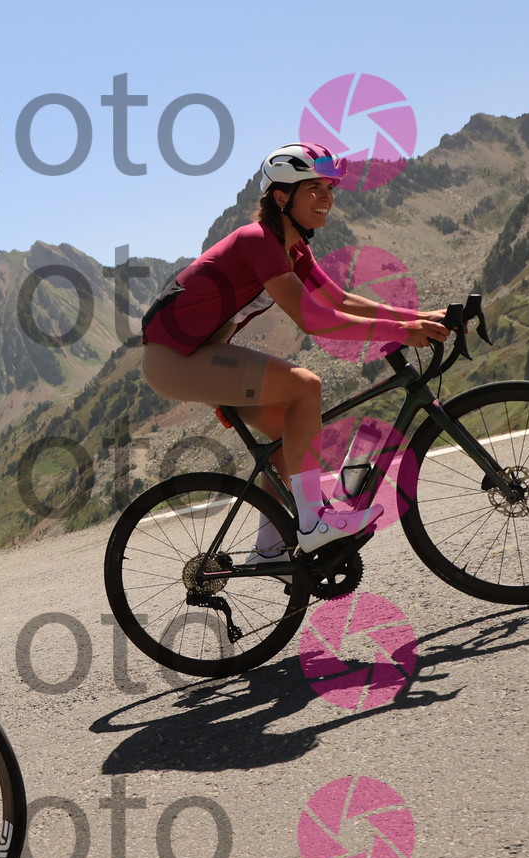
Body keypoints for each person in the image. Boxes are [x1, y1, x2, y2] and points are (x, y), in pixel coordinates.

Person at [139, 142, 451, 565]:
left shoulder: (293, 247)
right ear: (282, 197)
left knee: (289, 442)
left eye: (330, 188)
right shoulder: (257, 240)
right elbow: (313, 319)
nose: (327, 197)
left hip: (201, 353)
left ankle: (269, 551)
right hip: (175, 359)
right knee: (306, 386)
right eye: (314, 188)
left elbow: (340, 300)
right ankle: (312, 521)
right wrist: (401, 331)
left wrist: (421, 317)